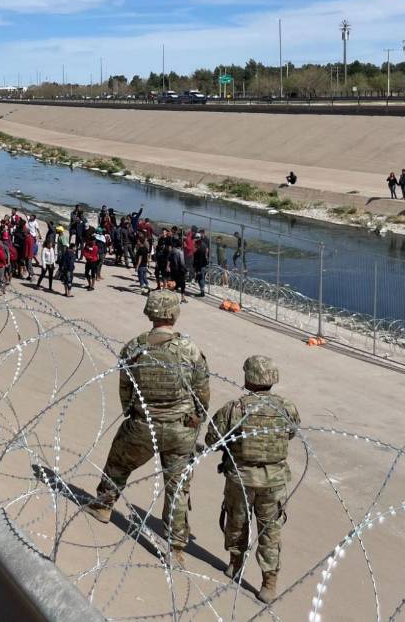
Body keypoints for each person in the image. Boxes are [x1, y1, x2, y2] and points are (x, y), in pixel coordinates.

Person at [83, 290, 209, 569]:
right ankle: (175, 548)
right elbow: (202, 393)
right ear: (174, 315)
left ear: (149, 313)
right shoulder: (190, 350)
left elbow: (125, 390)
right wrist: (196, 418)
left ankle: (104, 505)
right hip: (180, 430)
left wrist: (133, 413)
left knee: (118, 462)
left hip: (144, 424)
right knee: (177, 488)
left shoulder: (134, 347)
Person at [206, 355, 299, 604]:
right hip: (274, 481)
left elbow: (212, 439)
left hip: (241, 477)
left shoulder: (235, 408)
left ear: (248, 379)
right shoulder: (286, 407)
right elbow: (291, 433)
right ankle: (269, 582)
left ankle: (235, 563)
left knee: (236, 523)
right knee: (270, 531)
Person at [193, 230, 209, 297]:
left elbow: (200, 258)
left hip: (200, 265)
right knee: (201, 278)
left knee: (200, 278)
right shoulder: (202, 244)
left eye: (196, 238)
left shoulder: (201, 246)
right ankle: (202, 291)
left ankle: (202, 292)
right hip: (202, 265)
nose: (194, 239)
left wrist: (198, 269)